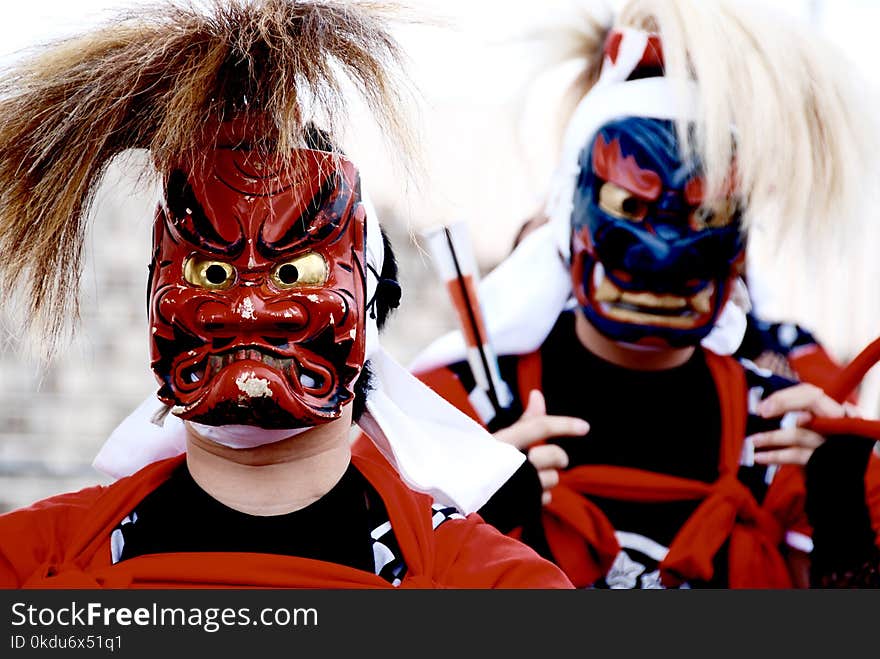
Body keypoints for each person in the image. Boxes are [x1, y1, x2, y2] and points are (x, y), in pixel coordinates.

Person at [0, 0, 571, 589]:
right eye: (210, 273)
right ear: (154, 296)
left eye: (294, 272)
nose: (247, 306)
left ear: (370, 305)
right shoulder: (25, 563)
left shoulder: (490, 584)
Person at [411, 0, 880, 588]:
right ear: (569, 210)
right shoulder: (448, 414)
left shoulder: (781, 435)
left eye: (705, 214)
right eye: (629, 206)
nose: (662, 251)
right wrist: (465, 516)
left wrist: (842, 519)